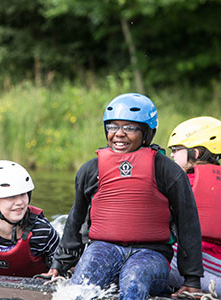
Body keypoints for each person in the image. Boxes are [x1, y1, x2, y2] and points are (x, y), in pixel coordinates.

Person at [44, 93, 203, 300]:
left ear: (147, 133)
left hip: (151, 254)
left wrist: (191, 280)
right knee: (82, 283)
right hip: (103, 248)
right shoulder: (90, 170)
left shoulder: (168, 171)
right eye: (112, 127)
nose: (119, 134)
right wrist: (59, 265)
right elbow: (76, 220)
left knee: (134, 281)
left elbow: (187, 223)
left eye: (129, 127)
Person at [167, 116, 221, 295]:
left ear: (195, 153)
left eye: (176, 150)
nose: (172, 155)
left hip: (197, 269)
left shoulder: (183, 183)